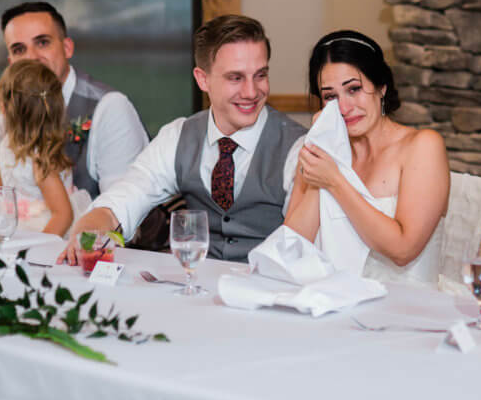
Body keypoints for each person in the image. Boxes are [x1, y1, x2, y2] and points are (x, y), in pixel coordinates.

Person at [60, 14, 306, 264]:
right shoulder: (179, 136)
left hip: (270, 289)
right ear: (202, 79)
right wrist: (93, 224)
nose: (252, 92)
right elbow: (129, 193)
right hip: (197, 287)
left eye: (260, 75)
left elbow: (300, 248)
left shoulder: (298, 147)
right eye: (236, 78)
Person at [284, 30, 450, 283]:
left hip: (407, 307)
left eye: (354, 89)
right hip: (335, 301)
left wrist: (335, 182)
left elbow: (403, 250)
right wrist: (325, 153)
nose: (343, 107)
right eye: (330, 96)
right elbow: (292, 247)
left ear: (381, 87)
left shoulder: (423, 146)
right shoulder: (321, 152)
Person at [0, 1, 148, 198]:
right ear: (10, 63)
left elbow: (123, 208)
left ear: (67, 48)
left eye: (42, 43)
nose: (32, 58)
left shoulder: (109, 107)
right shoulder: (5, 120)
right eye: (19, 50)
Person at [0, 60, 90, 237]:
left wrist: (38, 248)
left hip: (46, 229)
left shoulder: (40, 160)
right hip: (16, 225)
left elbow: (64, 216)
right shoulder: (7, 143)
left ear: (4, 107)